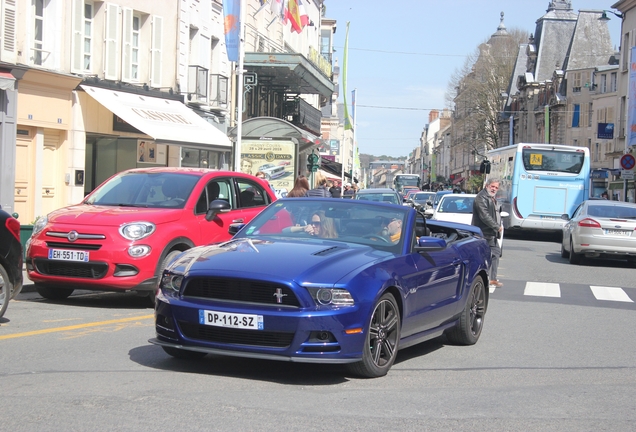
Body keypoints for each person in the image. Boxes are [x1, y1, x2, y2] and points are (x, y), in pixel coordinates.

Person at [472, 178, 503, 288]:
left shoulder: (490, 197)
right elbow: (484, 215)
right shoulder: (482, 197)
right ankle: (479, 279)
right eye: (492, 186)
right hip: (483, 232)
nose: (494, 189)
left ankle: (492, 279)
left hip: (490, 233)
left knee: (496, 253)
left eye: (496, 187)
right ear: (487, 186)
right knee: (483, 256)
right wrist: (496, 226)